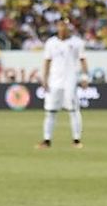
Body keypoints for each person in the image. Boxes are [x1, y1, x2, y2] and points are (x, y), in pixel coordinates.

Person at [37, 19, 89, 149]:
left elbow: (83, 60)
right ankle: (47, 140)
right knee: (50, 111)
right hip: (54, 80)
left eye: (65, 26)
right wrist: (44, 77)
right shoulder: (51, 43)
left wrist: (84, 76)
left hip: (70, 80)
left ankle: (76, 139)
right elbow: (47, 61)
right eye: (61, 25)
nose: (63, 28)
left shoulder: (77, 42)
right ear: (57, 27)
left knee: (73, 109)